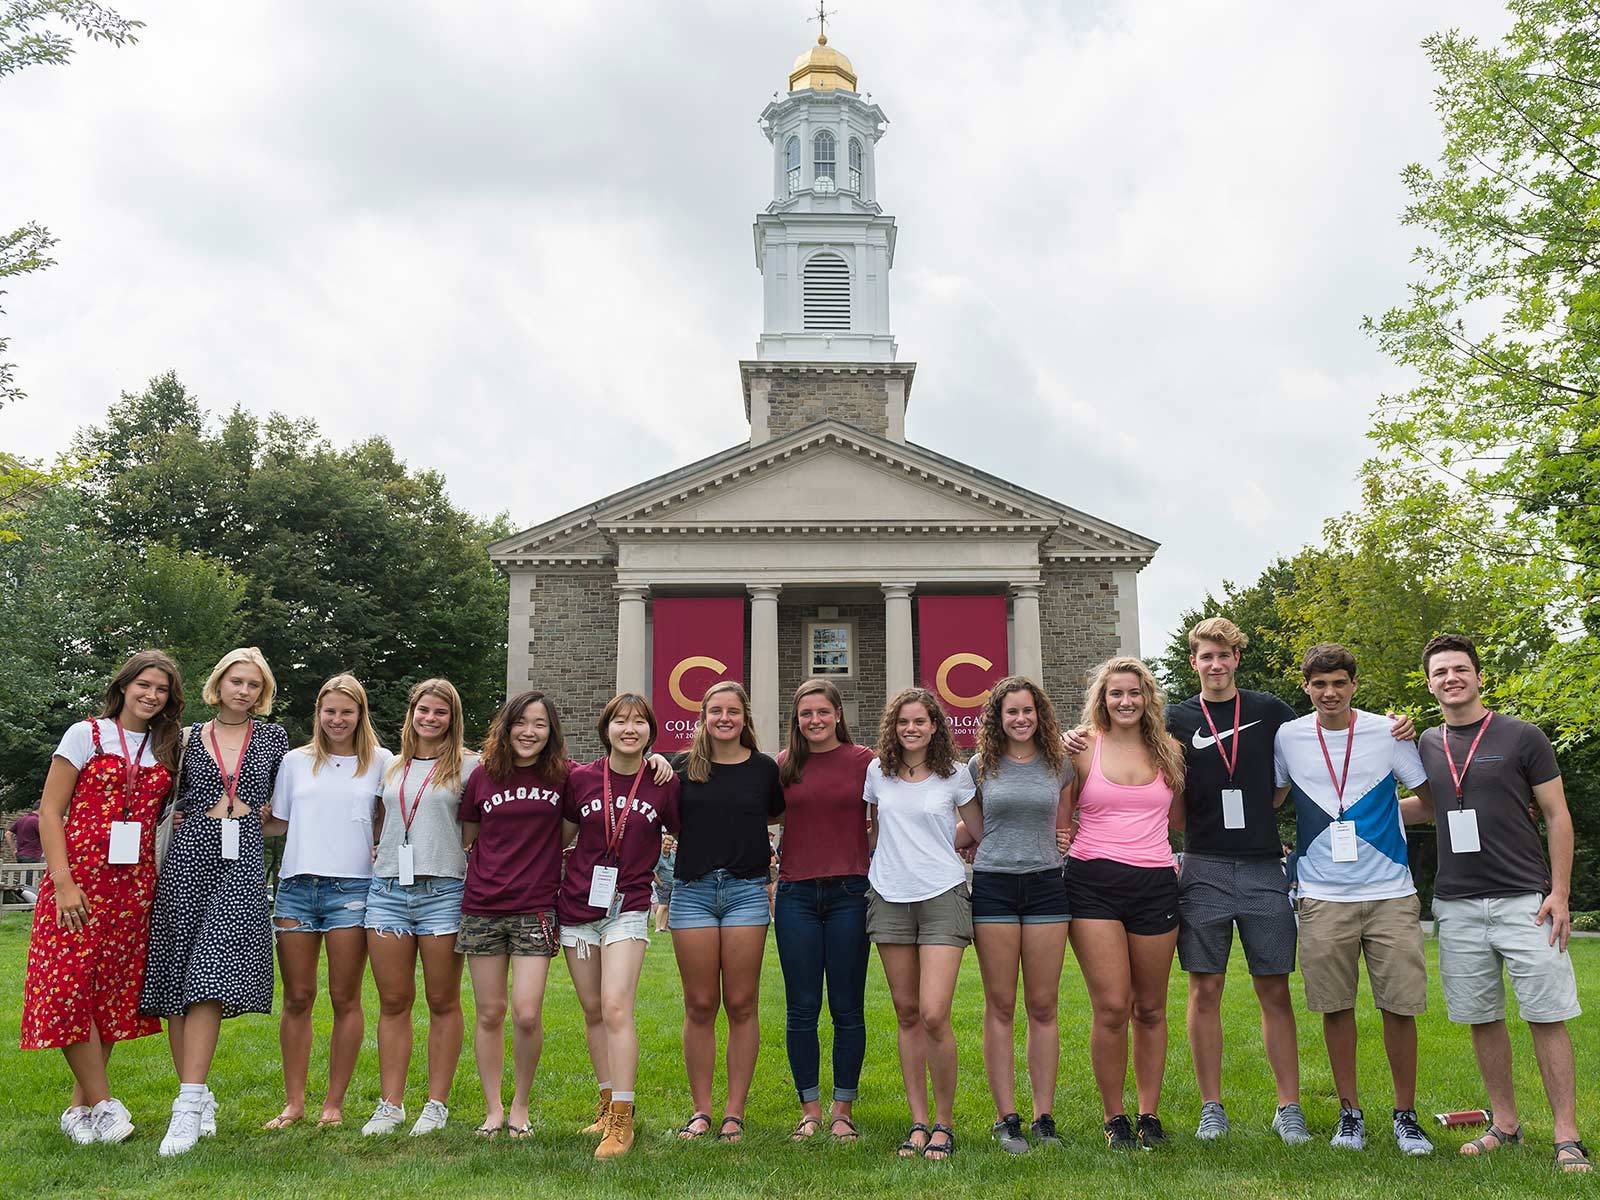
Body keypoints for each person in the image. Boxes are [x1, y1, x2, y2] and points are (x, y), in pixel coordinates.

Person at [1156, 618, 1416, 1143]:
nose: (1216, 664)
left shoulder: (1272, 712)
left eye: (1224, 654)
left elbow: (1309, 765)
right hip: (1202, 864)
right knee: (1204, 988)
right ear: (1193, 662)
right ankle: (1212, 1107)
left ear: (1236, 658)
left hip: (1262, 867)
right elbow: (1126, 739)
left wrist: (1400, 727)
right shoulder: (1175, 718)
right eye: (1206, 656)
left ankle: (1288, 1106)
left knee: (1273, 988)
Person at [1412, 634, 1589, 1172]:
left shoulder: (1522, 736)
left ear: (1478, 676)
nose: (1451, 678)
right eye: (1440, 672)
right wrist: (1344, 814)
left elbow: (1557, 815)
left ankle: (1567, 1136)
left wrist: (1559, 893)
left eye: (1460, 669)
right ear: (1429, 683)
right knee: (1482, 1018)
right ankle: (1505, 1125)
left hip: (1524, 901)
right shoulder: (1422, 742)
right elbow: (1426, 808)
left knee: (1547, 1014)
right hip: (1457, 904)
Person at [1273, 643, 1434, 1156]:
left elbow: (1429, 802)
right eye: (1319, 685)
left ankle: (1405, 1116)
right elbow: (1273, 797)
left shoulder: (1387, 732)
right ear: (1306, 688)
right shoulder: (1289, 736)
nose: (1329, 693)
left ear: (1353, 685)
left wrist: (1374, 820)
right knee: (1335, 1007)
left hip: (1390, 891)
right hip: (1321, 894)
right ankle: (1350, 1114)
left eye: (1339, 683)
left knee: (1399, 1007)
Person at [21, 651, 184, 1146]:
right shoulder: (85, 734)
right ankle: (106, 1104)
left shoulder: (168, 746)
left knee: (107, 995)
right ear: (125, 685)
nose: (151, 695)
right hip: (79, 880)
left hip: (133, 885)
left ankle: (79, 1111)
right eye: (144, 685)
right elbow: (51, 812)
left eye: (161, 689)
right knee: (68, 988)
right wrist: (63, 882)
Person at [141, 647, 289, 1156]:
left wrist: (261, 819)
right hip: (187, 860)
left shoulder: (274, 738)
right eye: (236, 681)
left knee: (208, 976)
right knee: (178, 980)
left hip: (241, 859)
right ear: (219, 684)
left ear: (262, 691)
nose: (243, 690)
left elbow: (282, 814)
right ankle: (198, 1097)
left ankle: (185, 1104)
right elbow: (160, 802)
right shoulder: (183, 737)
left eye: (253, 684)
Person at [1062, 656, 1184, 1151]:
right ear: (1102, 699)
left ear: (1147, 697)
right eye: (1116, 693)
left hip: (1155, 882)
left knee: (1151, 1008)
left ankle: (1148, 1115)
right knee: (1112, 1006)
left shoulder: (1170, 751)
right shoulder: (1080, 747)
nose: (1126, 701)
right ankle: (1114, 1117)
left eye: (1134, 692)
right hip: (1092, 882)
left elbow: (1179, 821)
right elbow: (1059, 819)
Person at [261, 674, 391, 1130]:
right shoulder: (295, 762)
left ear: (360, 715)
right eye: (329, 711)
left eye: (346, 712)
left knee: (344, 996)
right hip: (296, 888)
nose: (337, 720)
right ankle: (294, 1103)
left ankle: (332, 1104)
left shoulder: (381, 761)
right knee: (297, 997)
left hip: (352, 891)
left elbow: (389, 818)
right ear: (318, 714)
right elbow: (276, 822)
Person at [559, 692, 681, 1159]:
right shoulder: (582, 779)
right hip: (578, 906)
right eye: (620, 721)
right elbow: (563, 837)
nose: (629, 728)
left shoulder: (662, 782)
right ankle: (606, 1102)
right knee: (593, 1010)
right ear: (605, 728)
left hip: (628, 904)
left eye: (639, 722)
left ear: (651, 730)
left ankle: (622, 1122)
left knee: (615, 1006)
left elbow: (687, 829)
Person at [865, 686, 981, 1162]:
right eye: (903, 722)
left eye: (920, 721)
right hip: (889, 896)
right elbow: (874, 830)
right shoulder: (877, 772)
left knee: (935, 1012)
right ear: (893, 727)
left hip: (942, 895)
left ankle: (944, 1123)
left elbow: (976, 829)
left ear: (935, 726)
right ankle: (917, 1122)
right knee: (907, 1013)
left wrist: (941, 843)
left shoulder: (955, 774)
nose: (910, 728)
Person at [669, 681, 784, 1143]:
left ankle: (734, 1113)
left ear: (744, 717)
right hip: (693, 891)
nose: (724, 718)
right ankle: (701, 1111)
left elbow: (776, 815)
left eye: (732, 711)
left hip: (745, 892)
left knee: (740, 1003)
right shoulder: (679, 768)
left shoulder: (763, 770)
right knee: (699, 1004)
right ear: (703, 715)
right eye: (715, 709)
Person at [362, 678, 476, 1138]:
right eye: (423, 710)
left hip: (443, 892)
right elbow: (378, 817)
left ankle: (436, 1103)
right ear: (411, 713)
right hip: (388, 890)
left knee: (442, 1000)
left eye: (440, 712)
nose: (430, 719)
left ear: (453, 719)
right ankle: (390, 1104)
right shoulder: (391, 765)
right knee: (393, 1001)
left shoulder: (470, 767)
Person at [964, 676, 1072, 1154]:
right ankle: (1006, 1117)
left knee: (1044, 1005)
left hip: (1048, 885)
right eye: (1012, 712)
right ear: (998, 717)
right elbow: (971, 829)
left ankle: (1044, 1116)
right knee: (1001, 1005)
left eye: (1028, 710)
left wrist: (1068, 836)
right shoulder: (978, 766)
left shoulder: (1061, 764)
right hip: (995, 887)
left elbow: (1074, 818)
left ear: (1040, 714)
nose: (1021, 719)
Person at [458, 691, 567, 1139]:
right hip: (483, 906)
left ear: (551, 732)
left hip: (535, 908)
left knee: (525, 1012)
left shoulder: (564, 777)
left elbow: (614, 774)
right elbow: (469, 835)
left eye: (540, 724)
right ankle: (494, 1108)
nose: (529, 732)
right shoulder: (483, 776)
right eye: (521, 722)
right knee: (489, 1012)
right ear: (506, 726)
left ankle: (521, 1104)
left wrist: (658, 762)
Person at [773, 678, 874, 1144]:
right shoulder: (783, 766)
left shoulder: (864, 762)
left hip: (850, 894)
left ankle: (842, 1109)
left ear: (838, 714)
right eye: (805, 713)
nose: (814, 720)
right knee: (801, 1009)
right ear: (796, 720)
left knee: (848, 1009)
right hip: (796, 896)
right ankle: (810, 1109)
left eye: (822, 712)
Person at [652, 835, 677, 933]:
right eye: (666, 844)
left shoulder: (673, 854)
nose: (668, 847)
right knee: (662, 906)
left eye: (670, 845)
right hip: (662, 884)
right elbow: (653, 872)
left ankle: (664, 927)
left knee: (668, 906)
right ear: (662, 843)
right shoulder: (658, 856)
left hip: (672, 884)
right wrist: (661, 884)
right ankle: (657, 928)